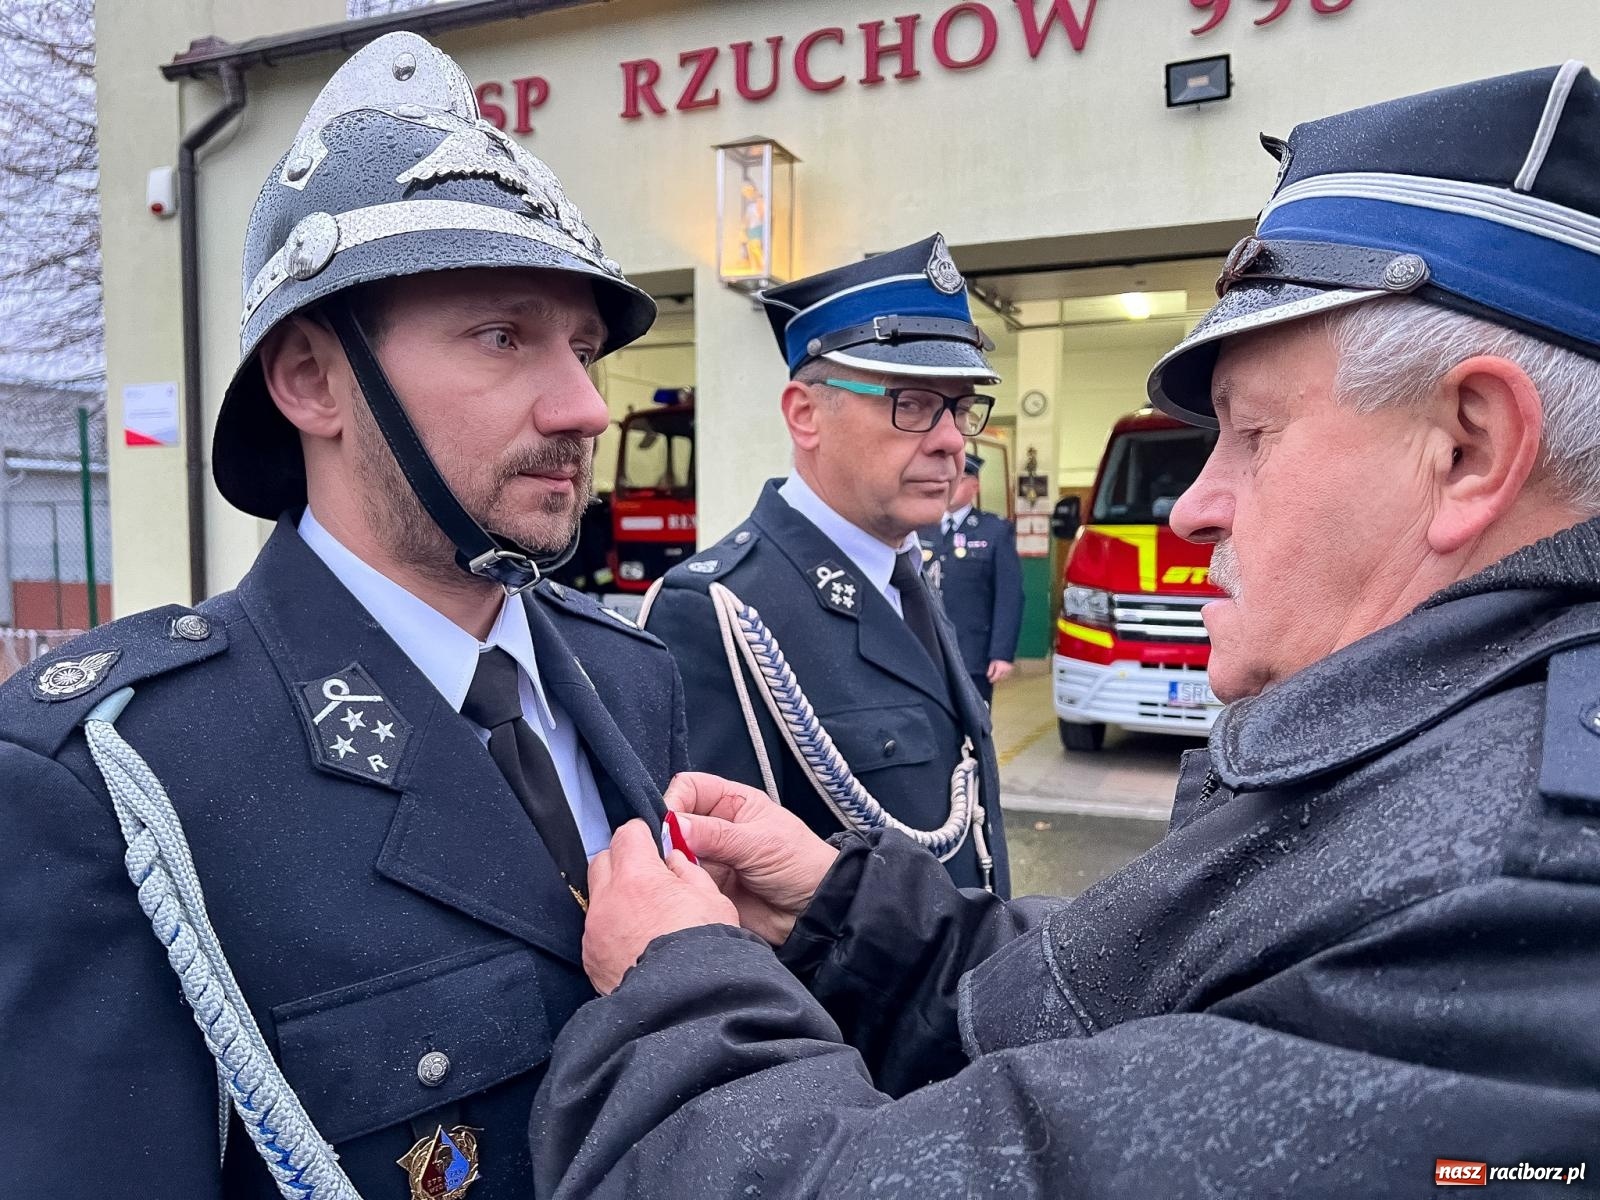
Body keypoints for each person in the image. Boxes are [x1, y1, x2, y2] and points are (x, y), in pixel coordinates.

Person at [534, 62, 1600, 1197]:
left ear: (1469, 447)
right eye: (912, 403)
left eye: (1252, 434)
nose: (1194, 505)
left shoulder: (1518, 903)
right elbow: (1111, 994)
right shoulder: (721, 603)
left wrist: (677, 987)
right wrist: (842, 917)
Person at [0, 33, 689, 1198]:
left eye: (582, 349)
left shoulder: (632, 675)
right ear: (312, 380)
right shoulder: (120, 777)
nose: (583, 406)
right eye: (503, 335)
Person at [640, 236, 1010, 894]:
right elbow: (720, 901)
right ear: (805, 415)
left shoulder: (906, 573)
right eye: (912, 404)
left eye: (959, 407)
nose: (952, 439)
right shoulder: (717, 611)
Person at [918, 453, 1023, 703]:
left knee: (973, 721)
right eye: (945, 479)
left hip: (972, 653)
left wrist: (1001, 653)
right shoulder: (920, 527)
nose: (949, 485)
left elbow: (1008, 597)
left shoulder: (994, 530)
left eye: (959, 479)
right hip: (924, 649)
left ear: (975, 486)